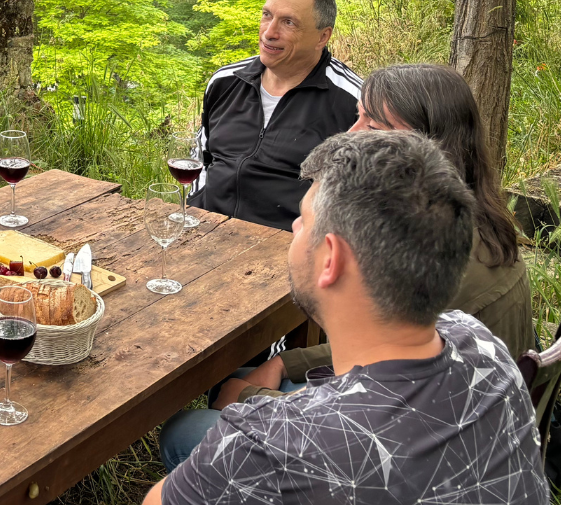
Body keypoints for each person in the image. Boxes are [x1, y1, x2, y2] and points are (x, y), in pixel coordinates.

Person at [137, 130, 551, 505]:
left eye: (303, 219)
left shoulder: (270, 445)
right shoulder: (482, 344)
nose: (295, 227)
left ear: (330, 259)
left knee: (185, 436)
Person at [159, 61, 534, 468]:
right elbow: (383, 359)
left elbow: (367, 412)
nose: (349, 136)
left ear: (429, 145)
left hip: (414, 461)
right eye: (357, 117)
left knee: (188, 429)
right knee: (240, 376)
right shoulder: (470, 222)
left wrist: (253, 400)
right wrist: (285, 361)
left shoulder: (439, 258)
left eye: (372, 127)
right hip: (447, 422)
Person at [188, 0, 360, 231]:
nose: (269, 33)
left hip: (286, 249)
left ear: (322, 37)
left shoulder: (355, 102)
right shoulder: (225, 82)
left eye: (288, 22)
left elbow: (364, 197)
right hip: (206, 231)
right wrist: (195, 209)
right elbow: (200, 157)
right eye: (267, 15)